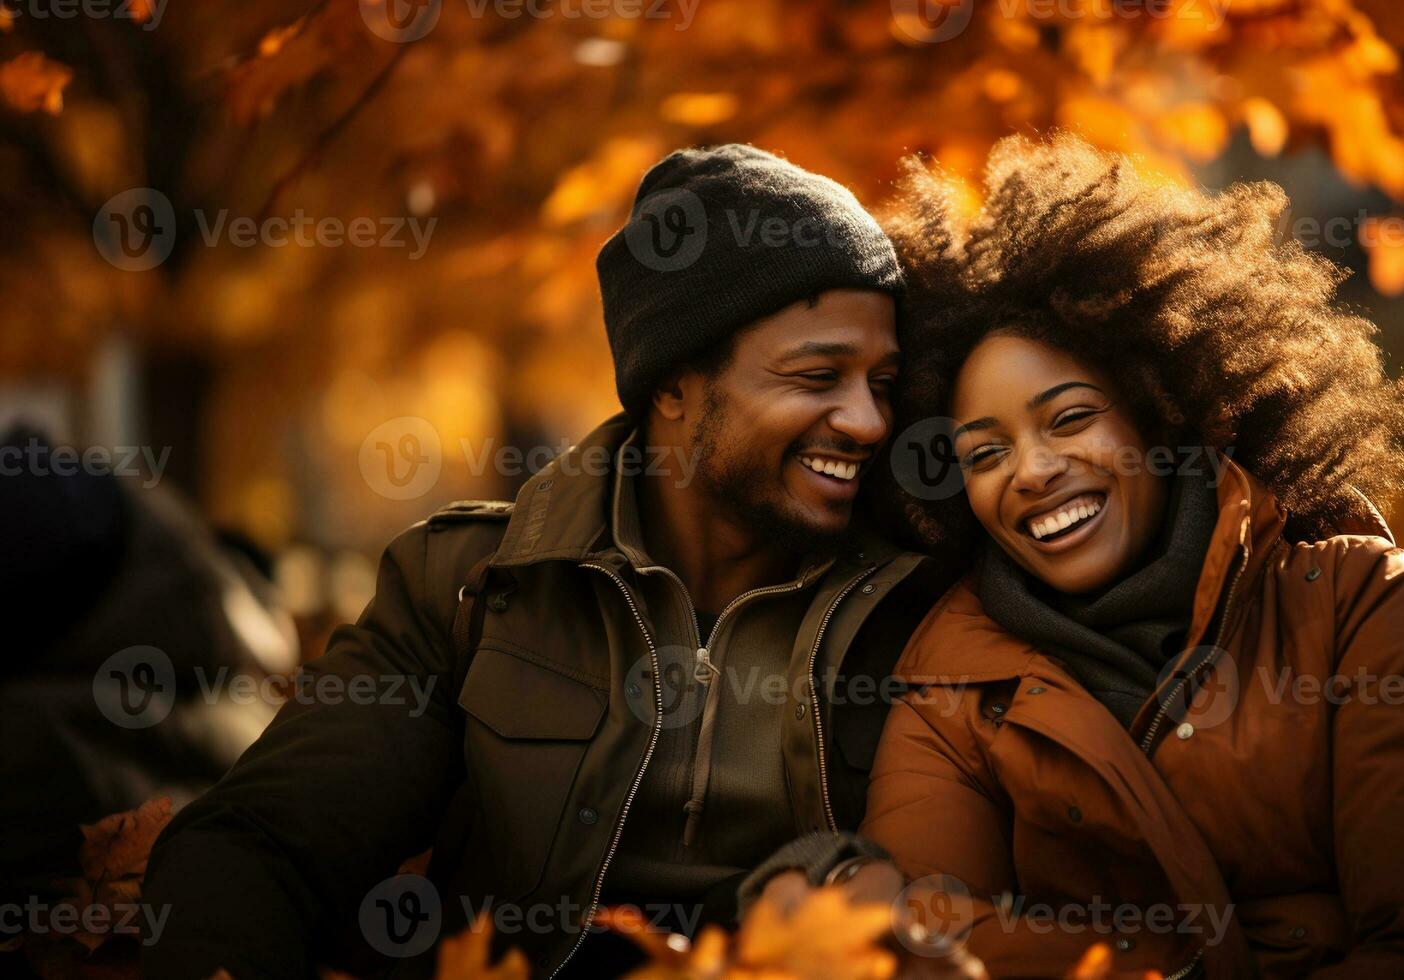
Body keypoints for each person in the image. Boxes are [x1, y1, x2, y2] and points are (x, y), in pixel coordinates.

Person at [143, 144, 947, 979]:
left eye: (881, 384)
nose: (867, 422)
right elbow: (262, 842)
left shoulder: (920, 610)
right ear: (674, 386)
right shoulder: (468, 586)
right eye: (819, 376)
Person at [857, 134, 1404, 978]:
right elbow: (920, 944)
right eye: (983, 455)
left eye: (1068, 418)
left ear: (1160, 413)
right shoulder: (949, 678)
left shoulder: (1355, 598)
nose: (1031, 471)